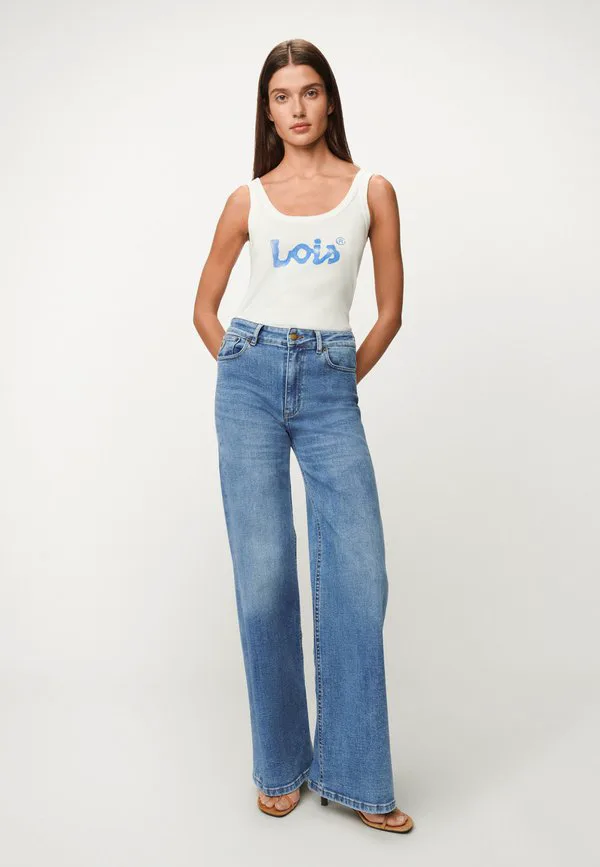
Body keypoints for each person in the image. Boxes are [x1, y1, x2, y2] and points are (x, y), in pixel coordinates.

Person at [193, 38, 412, 834]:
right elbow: (204, 308)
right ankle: (280, 763)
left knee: (360, 576)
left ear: (329, 100)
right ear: (267, 109)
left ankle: (355, 773)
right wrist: (241, 369)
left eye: (309, 92)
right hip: (248, 379)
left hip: (328, 379)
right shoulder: (247, 199)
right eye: (282, 96)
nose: (297, 108)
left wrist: (335, 378)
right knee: (264, 579)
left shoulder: (372, 190)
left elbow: (389, 312)